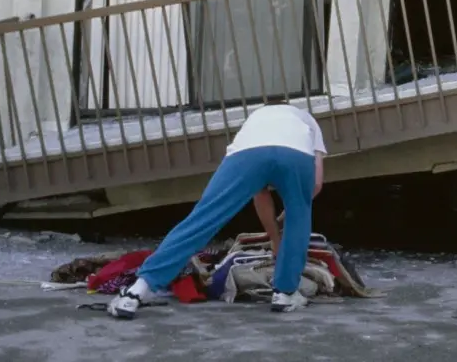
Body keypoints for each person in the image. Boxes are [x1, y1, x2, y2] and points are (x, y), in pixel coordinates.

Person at [106, 101, 326, 318]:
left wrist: (274, 237)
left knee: (203, 218)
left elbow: (259, 192)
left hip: (248, 153)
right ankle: (286, 294)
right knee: (300, 218)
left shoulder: (257, 117)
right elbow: (315, 184)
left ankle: (137, 291)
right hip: (296, 154)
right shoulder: (308, 121)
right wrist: (289, 217)